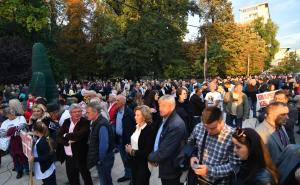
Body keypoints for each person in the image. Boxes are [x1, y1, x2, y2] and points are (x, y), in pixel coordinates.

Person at [189, 107, 240, 185]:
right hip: (197, 179)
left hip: (218, 182)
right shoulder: (199, 127)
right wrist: (192, 156)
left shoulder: (233, 136)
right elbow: (190, 143)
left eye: (213, 128)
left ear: (222, 121)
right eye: (206, 127)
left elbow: (234, 166)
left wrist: (209, 170)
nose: (209, 132)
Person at [148, 95, 186, 185]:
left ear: (172, 106)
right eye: (159, 105)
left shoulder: (176, 125)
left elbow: (165, 150)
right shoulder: (165, 118)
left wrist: (151, 157)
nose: (160, 108)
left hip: (171, 168)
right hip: (165, 164)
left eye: (163, 106)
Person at [56, 103, 93, 185]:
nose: (77, 113)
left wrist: (65, 135)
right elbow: (58, 137)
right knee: (72, 178)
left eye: (79, 111)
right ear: (70, 113)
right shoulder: (66, 122)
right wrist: (67, 141)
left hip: (81, 156)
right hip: (69, 156)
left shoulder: (85, 122)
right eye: (74, 112)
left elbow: (79, 135)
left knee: (86, 177)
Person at [125, 105, 156, 185]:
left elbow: (146, 152)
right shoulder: (137, 126)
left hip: (143, 166)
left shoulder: (149, 130)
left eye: (138, 115)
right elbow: (135, 140)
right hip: (134, 163)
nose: (135, 117)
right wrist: (128, 146)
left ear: (144, 116)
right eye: (135, 114)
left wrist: (131, 151)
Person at [86, 101, 115, 185]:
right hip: (103, 158)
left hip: (104, 159)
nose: (86, 114)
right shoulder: (97, 122)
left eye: (88, 112)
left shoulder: (101, 124)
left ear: (95, 112)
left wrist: (100, 160)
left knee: (104, 180)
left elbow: (104, 146)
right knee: (106, 179)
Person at [1, 107, 28, 178]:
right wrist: (15, 130)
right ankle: (19, 171)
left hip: (22, 141)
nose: (12, 113)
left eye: (12, 111)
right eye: (9, 113)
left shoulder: (21, 118)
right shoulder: (5, 123)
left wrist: (10, 131)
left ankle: (28, 169)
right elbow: (1, 134)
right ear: (6, 115)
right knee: (15, 157)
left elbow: (23, 126)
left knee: (25, 156)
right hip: (11, 144)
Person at [115, 94, 136, 182]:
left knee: (129, 159)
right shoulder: (117, 111)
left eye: (117, 100)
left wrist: (131, 142)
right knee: (124, 159)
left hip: (127, 140)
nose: (115, 102)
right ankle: (127, 174)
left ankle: (133, 178)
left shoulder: (129, 112)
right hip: (119, 139)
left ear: (123, 102)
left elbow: (134, 127)